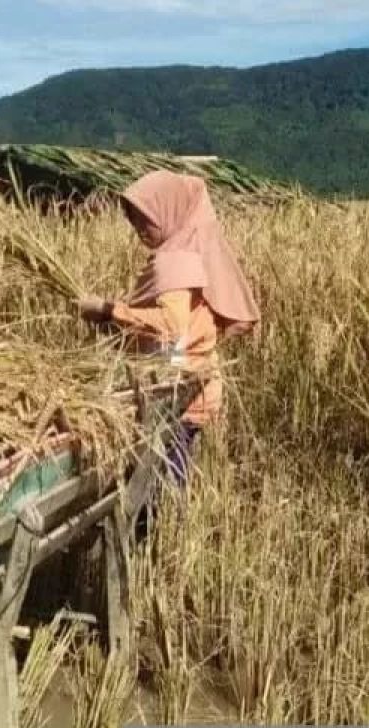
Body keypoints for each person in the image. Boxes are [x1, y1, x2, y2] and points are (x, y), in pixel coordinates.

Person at [77, 170, 260, 499]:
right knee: (172, 473)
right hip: (191, 388)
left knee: (162, 485)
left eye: (146, 220)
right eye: (135, 222)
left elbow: (171, 326)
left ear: (168, 211)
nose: (140, 231)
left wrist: (109, 310)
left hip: (177, 394)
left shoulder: (174, 262)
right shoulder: (192, 253)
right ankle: (165, 528)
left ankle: (159, 531)